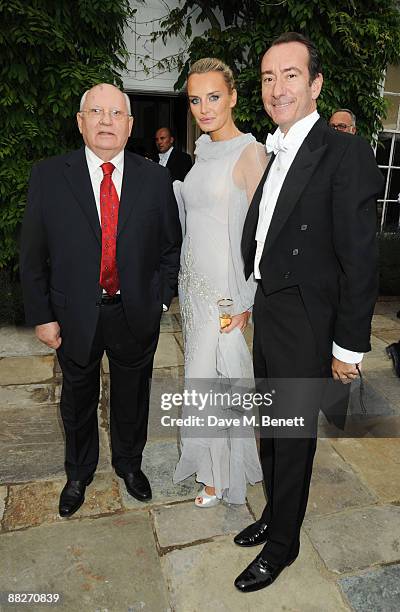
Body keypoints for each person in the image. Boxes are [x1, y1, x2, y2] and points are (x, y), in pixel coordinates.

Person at [235, 32, 383, 592]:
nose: (278, 87)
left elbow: (360, 257)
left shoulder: (342, 151)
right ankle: (276, 513)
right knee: (270, 427)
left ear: (315, 83)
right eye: (269, 77)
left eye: (290, 75)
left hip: (307, 316)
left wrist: (347, 349)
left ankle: (284, 544)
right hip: (271, 308)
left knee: (293, 434)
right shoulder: (275, 147)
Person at [20, 84, 181, 518]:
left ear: (130, 126)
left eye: (116, 113)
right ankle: (79, 473)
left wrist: (160, 300)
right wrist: (43, 316)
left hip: (135, 314)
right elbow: (32, 255)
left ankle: (130, 466)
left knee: (133, 397)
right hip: (74, 316)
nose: (106, 120)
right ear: (81, 121)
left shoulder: (155, 178)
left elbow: (170, 248)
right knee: (77, 398)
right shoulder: (50, 176)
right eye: (96, 111)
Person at [172, 58, 267, 506]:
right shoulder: (203, 152)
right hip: (193, 289)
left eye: (214, 97)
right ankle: (213, 466)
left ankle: (219, 474)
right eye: (195, 99)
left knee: (220, 381)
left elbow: (261, 233)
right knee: (200, 376)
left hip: (224, 293)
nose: (204, 108)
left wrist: (246, 300)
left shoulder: (250, 151)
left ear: (232, 96)